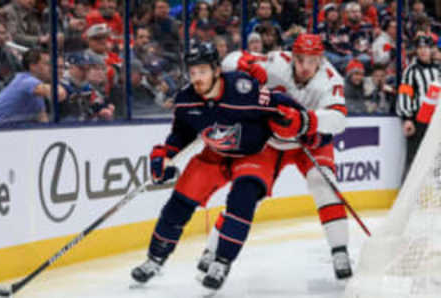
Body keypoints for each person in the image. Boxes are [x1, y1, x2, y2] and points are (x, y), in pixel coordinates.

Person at [130, 42, 309, 292]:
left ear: (216, 70)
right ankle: (154, 260)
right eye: (192, 73)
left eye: (202, 71)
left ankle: (221, 263)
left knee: (242, 199)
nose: (197, 79)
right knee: (178, 204)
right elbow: (181, 134)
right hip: (214, 154)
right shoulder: (185, 100)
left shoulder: (242, 88)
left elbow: (281, 103)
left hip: (254, 153)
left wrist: (300, 121)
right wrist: (165, 155)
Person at [201, 34, 352, 281]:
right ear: (292, 57)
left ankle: (339, 250)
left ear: (321, 60)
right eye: (300, 59)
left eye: (312, 61)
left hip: (308, 139)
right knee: (247, 192)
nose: (305, 66)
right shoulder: (276, 62)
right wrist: (245, 67)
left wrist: (306, 121)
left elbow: (339, 120)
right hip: (269, 140)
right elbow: (231, 60)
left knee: (323, 182)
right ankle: (213, 250)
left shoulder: (331, 80)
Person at [0, 48, 67, 126]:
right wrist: (56, 79)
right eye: (48, 64)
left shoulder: (37, 90)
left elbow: (43, 120)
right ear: (33, 66)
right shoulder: (26, 81)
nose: (53, 68)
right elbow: (58, 94)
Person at [396, 34, 440, 178]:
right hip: (419, 121)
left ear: (432, 50)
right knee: (414, 160)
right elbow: (404, 94)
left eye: (426, 48)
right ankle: (405, 196)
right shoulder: (411, 70)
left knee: (436, 161)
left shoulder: (438, 70)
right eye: (420, 48)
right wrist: (407, 118)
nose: (423, 51)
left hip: (437, 122)